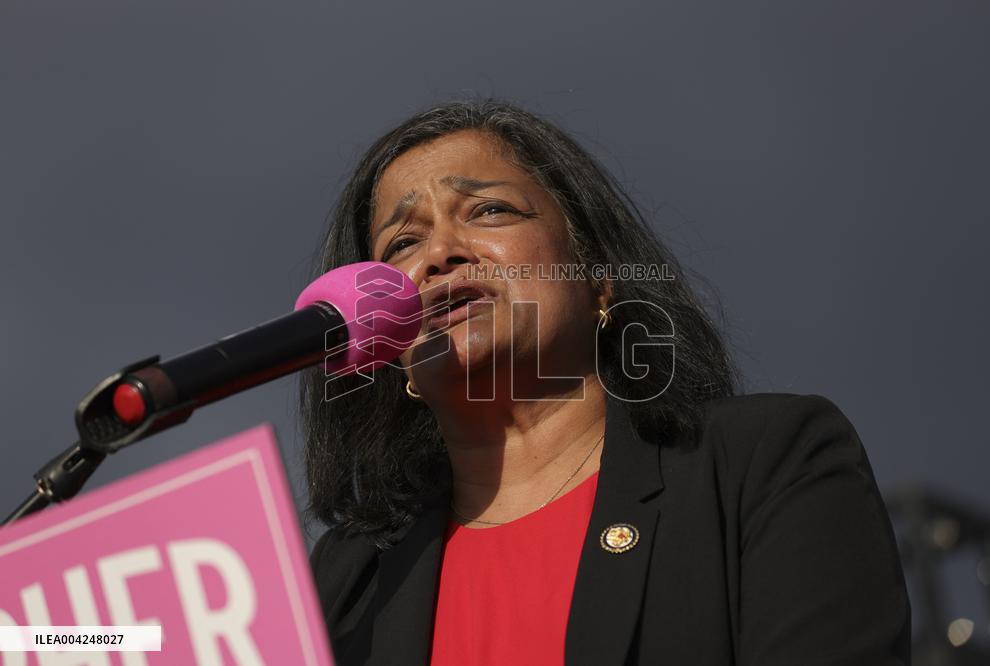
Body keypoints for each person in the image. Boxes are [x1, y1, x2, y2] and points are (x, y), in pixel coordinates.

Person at [301, 100, 910, 665]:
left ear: (598, 276)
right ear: (384, 343)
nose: (439, 254)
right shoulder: (345, 579)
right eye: (402, 242)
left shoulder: (765, 462)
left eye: (490, 210)